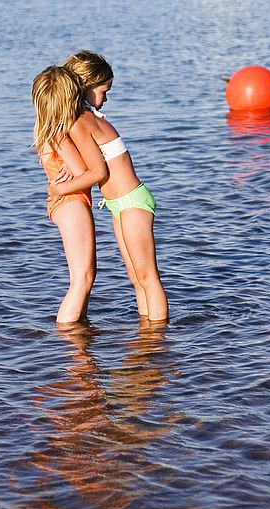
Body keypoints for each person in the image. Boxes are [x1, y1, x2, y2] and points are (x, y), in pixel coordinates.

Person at [53, 50, 168, 321]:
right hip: (120, 204)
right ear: (86, 86)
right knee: (136, 278)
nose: (105, 98)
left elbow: (97, 171)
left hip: (132, 200)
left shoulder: (82, 121)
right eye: (104, 91)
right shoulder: (82, 119)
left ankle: (159, 340)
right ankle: (147, 335)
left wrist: (59, 189)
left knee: (147, 277)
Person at [32, 67, 104, 323]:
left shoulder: (45, 130)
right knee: (82, 278)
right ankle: (69, 336)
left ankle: (80, 331)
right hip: (72, 203)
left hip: (65, 204)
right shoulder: (60, 135)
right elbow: (85, 172)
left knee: (83, 277)